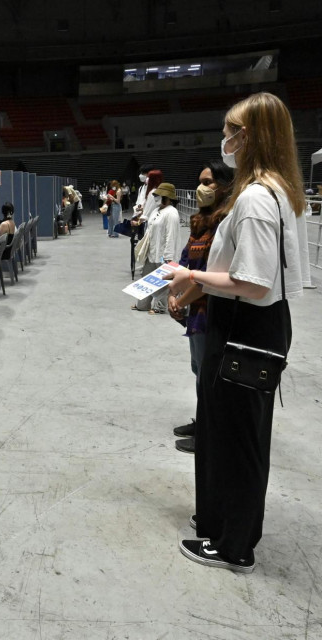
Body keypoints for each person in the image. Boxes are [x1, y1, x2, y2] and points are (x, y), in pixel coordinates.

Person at [167, 92, 304, 573]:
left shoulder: (255, 199)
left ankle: (233, 544)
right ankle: (222, 522)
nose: (225, 138)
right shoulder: (276, 191)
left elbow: (253, 280)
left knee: (238, 437)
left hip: (246, 324)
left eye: (232, 130)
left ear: (251, 136)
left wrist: (192, 278)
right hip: (252, 321)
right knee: (230, 431)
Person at [168, 160, 235, 454]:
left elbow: (208, 274)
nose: (201, 188)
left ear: (224, 186)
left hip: (212, 312)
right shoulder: (199, 221)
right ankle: (204, 421)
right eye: (200, 181)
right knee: (199, 370)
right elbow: (185, 262)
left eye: (208, 182)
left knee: (210, 374)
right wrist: (172, 293)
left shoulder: (224, 224)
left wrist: (180, 299)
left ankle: (211, 432)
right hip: (194, 312)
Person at [132, 182, 181, 313]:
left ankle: (160, 307)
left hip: (163, 254)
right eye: (156, 194)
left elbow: (171, 235)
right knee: (146, 278)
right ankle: (142, 304)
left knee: (163, 282)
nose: (157, 197)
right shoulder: (156, 210)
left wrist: (168, 256)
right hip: (152, 251)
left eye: (160, 195)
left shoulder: (172, 213)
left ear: (169, 197)